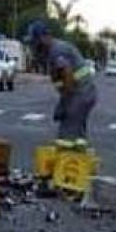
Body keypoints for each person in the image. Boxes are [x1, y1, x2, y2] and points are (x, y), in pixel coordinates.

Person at [28, 20, 97, 149]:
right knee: (77, 133)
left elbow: (67, 74)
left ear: (44, 37)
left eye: (35, 41)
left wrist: (65, 103)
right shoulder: (53, 51)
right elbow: (61, 80)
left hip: (80, 93)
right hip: (84, 92)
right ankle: (79, 159)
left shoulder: (57, 51)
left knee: (67, 133)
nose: (34, 45)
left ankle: (66, 162)